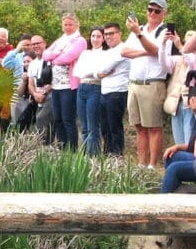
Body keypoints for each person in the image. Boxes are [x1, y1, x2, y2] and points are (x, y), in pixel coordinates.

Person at [124, 0, 171, 167]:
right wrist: (144, 50)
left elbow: (157, 51)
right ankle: (141, 163)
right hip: (135, 82)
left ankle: (152, 165)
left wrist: (138, 35)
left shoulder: (165, 32)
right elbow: (124, 51)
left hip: (153, 83)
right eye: (150, 9)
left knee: (154, 127)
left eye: (157, 11)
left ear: (164, 13)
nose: (152, 13)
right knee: (139, 126)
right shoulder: (140, 28)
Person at [42, 13, 87, 150]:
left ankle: (72, 149)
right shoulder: (60, 40)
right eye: (65, 24)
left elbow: (68, 57)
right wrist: (57, 54)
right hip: (56, 85)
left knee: (68, 119)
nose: (67, 27)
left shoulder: (80, 41)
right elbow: (45, 54)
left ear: (76, 25)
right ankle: (61, 147)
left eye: (70, 24)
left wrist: (54, 58)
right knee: (58, 118)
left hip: (69, 85)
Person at [95, 23, 131, 156]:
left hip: (117, 92)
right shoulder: (107, 52)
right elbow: (96, 71)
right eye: (106, 34)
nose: (108, 36)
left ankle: (117, 156)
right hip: (105, 91)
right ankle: (107, 156)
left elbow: (104, 69)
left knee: (114, 127)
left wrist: (101, 72)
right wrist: (100, 72)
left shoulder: (123, 49)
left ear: (119, 33)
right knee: (105, 128)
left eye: (112, 33)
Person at [74, 26, 108, 155]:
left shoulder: (105, 54)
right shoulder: (85, 53)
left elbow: (101, 72)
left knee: (93, 126)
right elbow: (77, 72)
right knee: (84, 126)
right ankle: (84, 156)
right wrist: (92, 72)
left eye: (98, 36)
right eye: (93, 36)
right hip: (82, 87)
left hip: (95, 88)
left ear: (103, 38)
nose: (95, 39)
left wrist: (90, 72)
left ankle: (93, 156)